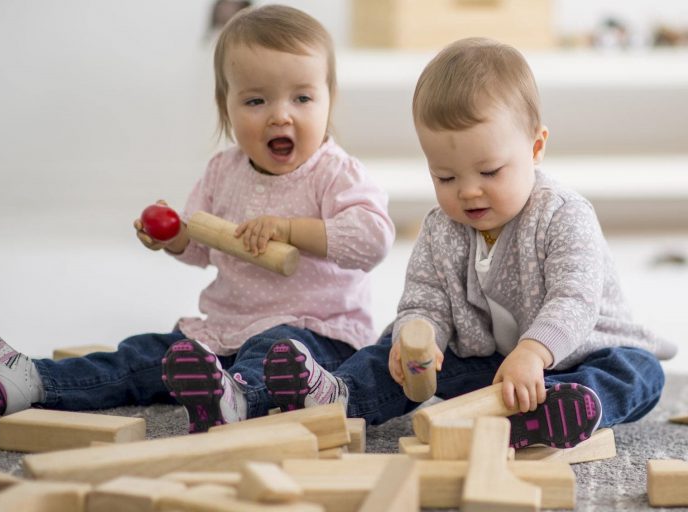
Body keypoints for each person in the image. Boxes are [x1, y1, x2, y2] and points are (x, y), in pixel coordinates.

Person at [0, 5, 394, 433]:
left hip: (314, 338)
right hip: (226, 330)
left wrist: (290, 230)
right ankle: (32, 380)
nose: (281, 114)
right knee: (145, 356)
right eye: (256, 100)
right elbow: (202, 248)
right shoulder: (223, 172)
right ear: (227, 107)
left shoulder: (335, 173)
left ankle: (237, 400)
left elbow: (373, 240)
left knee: (269, 353)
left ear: (329, 100)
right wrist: (175, 237)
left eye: (302, 97)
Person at [263, 37, 677, 449]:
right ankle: (341, 395)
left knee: (639, 372)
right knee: (390, 351)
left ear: (535, 148)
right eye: (446, 177)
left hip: (579, 355)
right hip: (493, 369)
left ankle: (563, 409)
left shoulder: (563, 214)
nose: (468, 193)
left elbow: (575, 298)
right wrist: (417, 338)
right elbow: (425, 298)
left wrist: (533, 353)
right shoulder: (442, 228)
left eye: (490, 172)